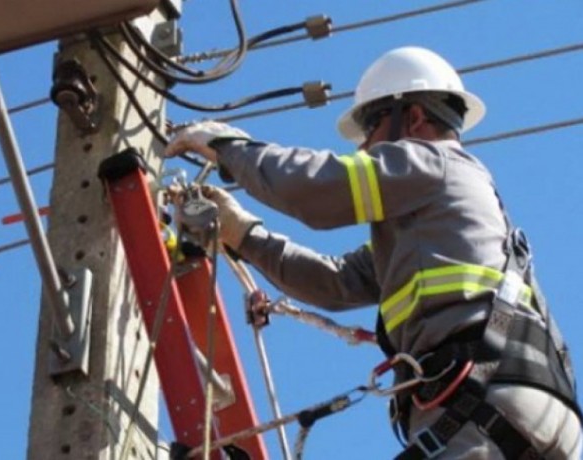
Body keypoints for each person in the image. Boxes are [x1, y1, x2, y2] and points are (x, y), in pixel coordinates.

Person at [164, 46, 582, 459]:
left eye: (371, 127)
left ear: (414, 117)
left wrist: (230, 147)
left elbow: (316, 188)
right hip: (528, 410)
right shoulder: (433, 230)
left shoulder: (433, 163)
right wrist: (245, 235)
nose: (364, 148)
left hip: (480, 403)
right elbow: (334, 282)